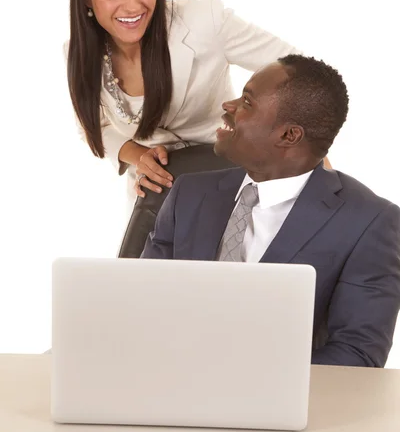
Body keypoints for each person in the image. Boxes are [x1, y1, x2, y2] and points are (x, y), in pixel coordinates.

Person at [142, 54, 400, 368]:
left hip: (280, 407)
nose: (229, 105)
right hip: (169, 387)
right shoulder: (188, 194)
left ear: (288, 135)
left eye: (247, 102)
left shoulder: (368, 223)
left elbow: (357, 354)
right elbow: (143, 304)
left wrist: (249, 380)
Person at [67, 0, 305, 208]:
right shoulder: (78, 53)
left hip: (236, 177)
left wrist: (288, 142)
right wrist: (136, 154)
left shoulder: (204, 21)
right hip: (156, 194)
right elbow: (93, 125)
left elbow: (297, 71)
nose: (133, 6)